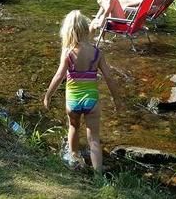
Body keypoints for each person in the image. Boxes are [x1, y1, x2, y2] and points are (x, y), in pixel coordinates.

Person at [43, 10, 123, 172]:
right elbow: (109, 77)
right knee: (93, 138)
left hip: (72, 101)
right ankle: (98, 174)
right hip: (91, 101)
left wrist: (48, 96)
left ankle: (74, 160)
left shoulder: (68, 53)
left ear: (68, 31)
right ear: (86, 30)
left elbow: (59, 76)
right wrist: (117, 99)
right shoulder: (97, 53)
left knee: (73, 128)